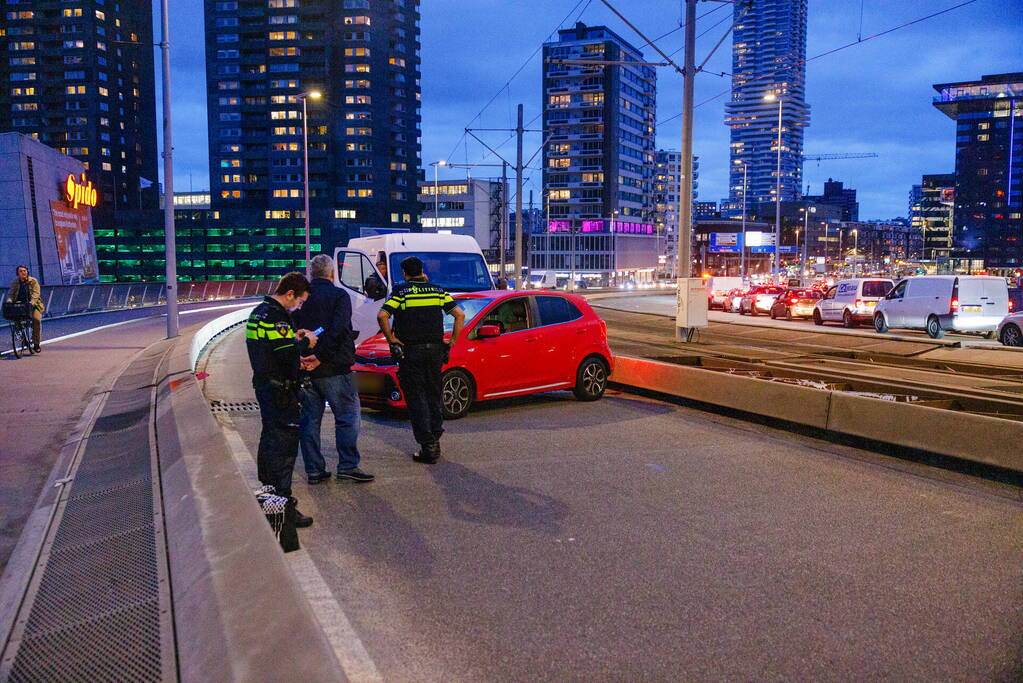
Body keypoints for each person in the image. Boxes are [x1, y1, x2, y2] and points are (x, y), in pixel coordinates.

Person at [246, 272, 318, 527]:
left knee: (269, 444)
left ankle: (267, 498)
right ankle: (282, 508)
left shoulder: (259, 312)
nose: (298, 307)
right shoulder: (277, 317)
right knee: (283, 451)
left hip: (265, 387)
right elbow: (286, 356)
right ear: (290, 294)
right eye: (299, 302)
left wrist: (291, 338)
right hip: (281, 392)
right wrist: (306, 343)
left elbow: (272, 349)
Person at [294, 254, 373, 484]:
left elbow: (296, 330)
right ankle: (348, 465)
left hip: (307, 369)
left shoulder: (302, 299)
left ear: (311, 273)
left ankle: (314, 470)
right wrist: (320, 356)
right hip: (335, 369)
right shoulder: (340, 296)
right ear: (332, 274)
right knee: (347, 417)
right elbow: (338, 330)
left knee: (309, 421)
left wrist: (306, 357)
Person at [377, 256, 465, 464]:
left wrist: (392, 339)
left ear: (405, 274)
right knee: (433, 393)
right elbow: (459, 315)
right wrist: (451, 341)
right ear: (422, 271)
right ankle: (435, 436)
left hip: (412, 353)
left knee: (416, 397)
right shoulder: (438, 290)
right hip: (435, 351)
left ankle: (428, 445)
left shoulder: (402, 292)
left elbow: (382, 316)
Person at [6, 265, 43, 353]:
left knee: (36, 320)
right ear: (17, 273)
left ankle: (36, 344)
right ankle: (22, 337)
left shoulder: (33, 281)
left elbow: (36, 293)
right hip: (20, 305)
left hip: (33, 305)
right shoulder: (15, 283)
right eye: (21, 271)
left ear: (27, 272)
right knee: (16, 319)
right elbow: (10, 295)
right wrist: (9, 302)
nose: (23, 272)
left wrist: (31, 302)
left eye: (25, 271)